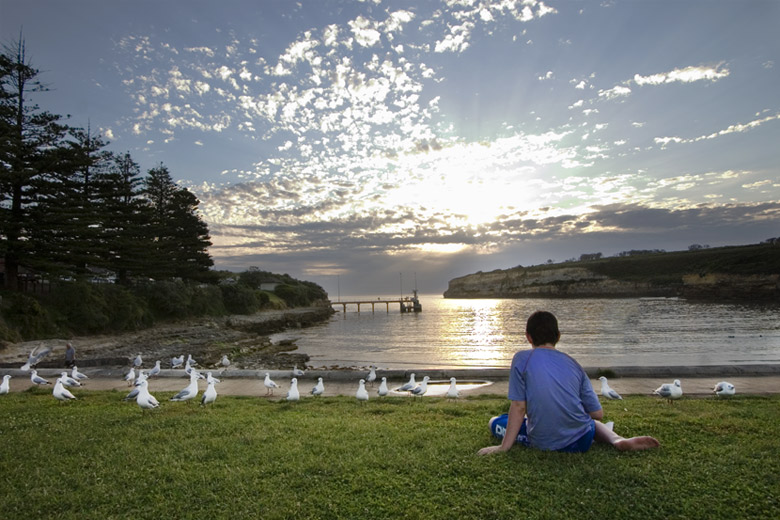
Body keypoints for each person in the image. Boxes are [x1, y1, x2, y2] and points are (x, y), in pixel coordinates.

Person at [478, 311, 659, 455]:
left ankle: (512, 435)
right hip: (583, 441)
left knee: (495, 421)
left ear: (528, 337)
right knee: (593, 424)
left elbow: (518, 406)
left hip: (543, 442)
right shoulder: (575, 365)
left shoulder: (521, 359)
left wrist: (503, 448)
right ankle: (617, 440)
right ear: (558, 336)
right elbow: (597, 413)